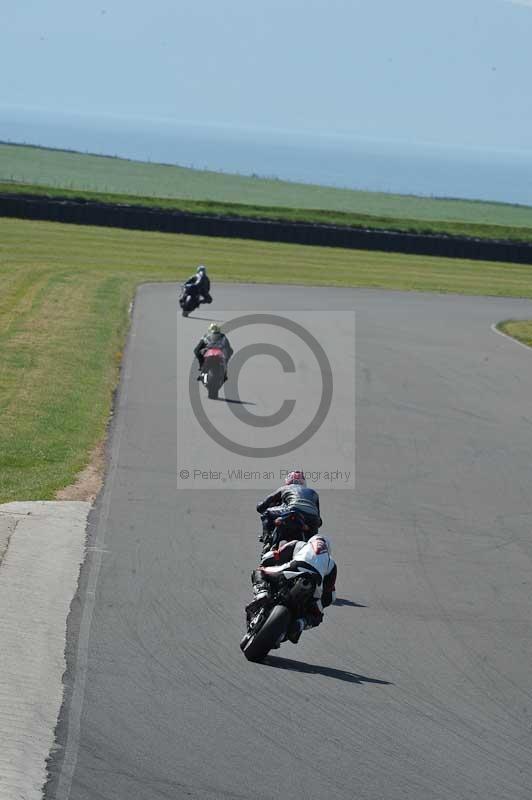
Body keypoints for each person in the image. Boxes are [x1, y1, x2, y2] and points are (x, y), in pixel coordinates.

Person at [250, 534, 337, 643]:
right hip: (315, 584)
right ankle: (301, 623)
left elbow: (274, 556)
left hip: (292, 568)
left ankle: (262, 592)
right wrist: (319, 604)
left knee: (260, 571)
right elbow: (330, 595)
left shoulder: (300, 544)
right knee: (318, 616)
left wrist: (267, 559)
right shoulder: (331, 563)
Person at [256, 470, 322, 546]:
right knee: (312, 543)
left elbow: (264, 504)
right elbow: (319, 519)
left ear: (288, 480)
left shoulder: (284, 488)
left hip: (293, 511)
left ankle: (267, 538)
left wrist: (259, 506)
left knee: (266, 513)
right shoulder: (313, 492)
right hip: (312, 519)